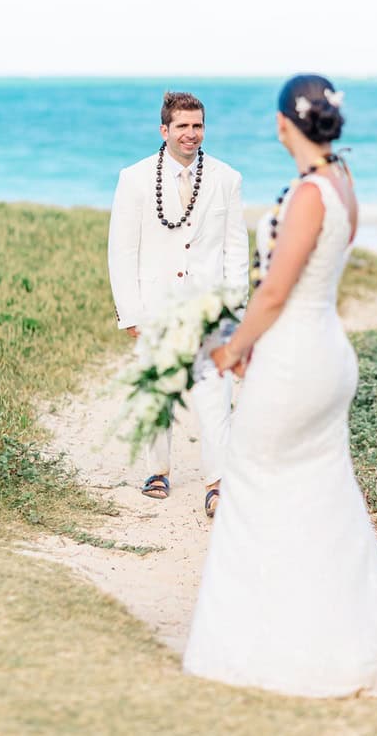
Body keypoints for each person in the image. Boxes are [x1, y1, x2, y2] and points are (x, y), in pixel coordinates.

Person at [183, 74, 377, 697]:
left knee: (253, 480)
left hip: (295, 357)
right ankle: (339, 632)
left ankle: (270, 644)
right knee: (319, 493)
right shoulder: (343, 183)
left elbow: (275, 290)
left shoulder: (309, 194)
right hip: (325, 349)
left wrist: (232, 348)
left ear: (282, 124)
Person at [108, 91, 249, 517]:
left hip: (210, 311)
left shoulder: (227, 178)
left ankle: (217, 481)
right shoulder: (134, 178)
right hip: (156, 307)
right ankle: (157, 471)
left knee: (215, 398)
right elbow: (121, 250)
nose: (191, 134)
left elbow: (236, 250)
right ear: (164, 130)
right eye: (183, 126)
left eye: (198, 126)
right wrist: (131, 312)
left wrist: (235, 311)